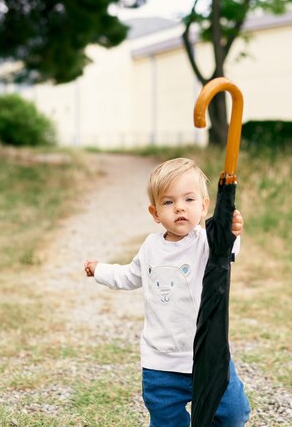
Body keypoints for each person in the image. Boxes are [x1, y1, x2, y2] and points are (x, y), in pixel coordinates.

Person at [84, 157, 251, 427]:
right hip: (160, 362)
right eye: (168, 202)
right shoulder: (151, 247)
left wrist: (232, 232)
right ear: (155, 213)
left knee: (234, 413)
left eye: (189, 199)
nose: (180, 208)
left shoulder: (205, 242)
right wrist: (100, 270)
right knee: (166, 422)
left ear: (204, 205)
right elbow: (130, 275)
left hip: (207, 355)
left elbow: (225, 251)